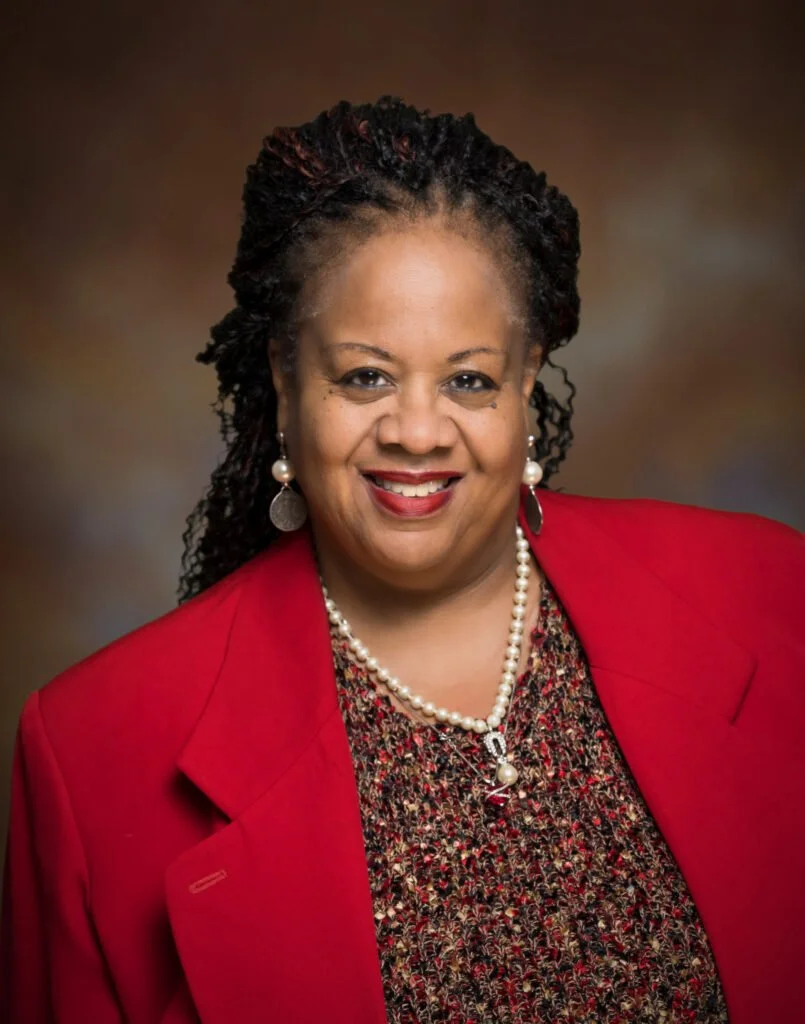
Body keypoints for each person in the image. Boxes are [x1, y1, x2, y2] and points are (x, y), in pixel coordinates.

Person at [1, 96, 802, 1024]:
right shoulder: (90, 749)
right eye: (364, 376)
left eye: (468, 379)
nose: (417, 431)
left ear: (527, 378)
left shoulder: (767, 591)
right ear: (283, 378)